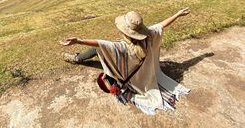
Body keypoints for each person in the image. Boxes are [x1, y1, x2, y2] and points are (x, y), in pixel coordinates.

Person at [60, 8, 191, 115]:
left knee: (98, 52)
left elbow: (99, 43)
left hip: (130, 78)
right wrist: (178, 14)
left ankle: (76, 58)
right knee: (103, 50)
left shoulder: (121, 47)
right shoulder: (150, 36)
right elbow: (162, 24)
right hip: (144, 75)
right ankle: (76, 58)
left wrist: (78, 40)